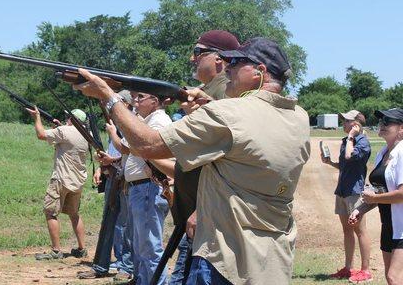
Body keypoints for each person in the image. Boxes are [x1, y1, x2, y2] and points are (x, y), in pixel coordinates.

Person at [72, 37, 310, 285]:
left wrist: (109, 97)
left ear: (260, 71)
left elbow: (148, 144)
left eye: (236, 62)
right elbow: (250, 133)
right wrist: (210, 105)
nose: (227, 67)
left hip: (223, 258)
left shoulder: (227, 114)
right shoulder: (299, 118)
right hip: (271, 259)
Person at [169, 30, 239, 285]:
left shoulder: (223, 92)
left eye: (198, 52)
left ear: (219, 59)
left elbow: (224, 160)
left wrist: (202, 210)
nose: (192, 58)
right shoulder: (210, 90)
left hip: (205, 216)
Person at [106, 91, 174, 285]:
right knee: (141, 245)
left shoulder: (158, 121)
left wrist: (113, 132)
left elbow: (128, 147)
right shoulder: (146, 120)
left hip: (148, 187)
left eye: (140, 97)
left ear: (155, 100)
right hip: (141, 187)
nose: (135, 101)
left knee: (149, 247)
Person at [78, 90, 134, 280]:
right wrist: (101, 167)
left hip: (126, 178)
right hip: (113, 176)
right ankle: (100, 266)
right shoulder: (115, 124)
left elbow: (132, 151)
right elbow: (113, 150)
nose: (110, 105)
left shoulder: (132, 123)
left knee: (126, 225)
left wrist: (113, 159)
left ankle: (126, 267)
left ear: (125, 104)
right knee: (108, 222)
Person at [26, 106, 89, 260]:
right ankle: (82, 248)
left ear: (72, 120)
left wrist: (37, 118)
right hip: (77, 181)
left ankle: (56, 250)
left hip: (61, 179)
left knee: (50, 212)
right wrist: (60, 127)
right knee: (74, 214)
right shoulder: (87, 134)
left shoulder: (65, 131)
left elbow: (41, 135)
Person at [349, 108, 403, 285]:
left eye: (387, 122)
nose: (382, 124)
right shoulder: (382, 154)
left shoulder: (402, 154)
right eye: (381, 121)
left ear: (401, 128)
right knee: (391, 277)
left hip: (402, 227)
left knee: (394, 278)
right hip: (389, 225)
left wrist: (374, 199)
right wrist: (361, 209)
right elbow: (378, 192)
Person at [320, 110, 372, 281]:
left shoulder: (362, 143)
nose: (343, 123)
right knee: (347, 230)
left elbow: (350, 156)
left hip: (355, 193)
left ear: (356, 124)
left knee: (360, 231)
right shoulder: (346, 141)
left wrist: (351, 136)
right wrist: (330, 163)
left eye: (347, 120)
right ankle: (348, 268)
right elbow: (345, 166)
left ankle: (365, 270)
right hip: (342, 191)